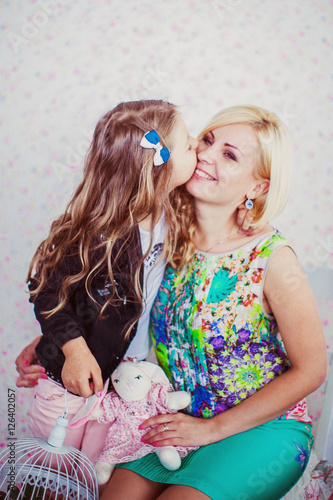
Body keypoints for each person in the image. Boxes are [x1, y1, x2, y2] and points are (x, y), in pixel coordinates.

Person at [100, 105, 328, 500]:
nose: (206, 155)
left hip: (262, 429)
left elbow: (311, 370)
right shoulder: (163, 236)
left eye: (229, 154)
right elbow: (110, 305)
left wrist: (212, 430)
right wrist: (58, 344)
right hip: (178, 419)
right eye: (207, 140)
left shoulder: (272, 258)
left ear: (257, 188)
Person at [16, 99, 199, 462]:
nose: (196, 145)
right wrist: (74, 349)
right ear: (155, 165)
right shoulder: (99, 231)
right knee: (54, 465)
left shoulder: (173, 216)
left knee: (94, 469)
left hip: (121, 383)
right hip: (69, 382)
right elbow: (46, 291)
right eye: (188, 143)